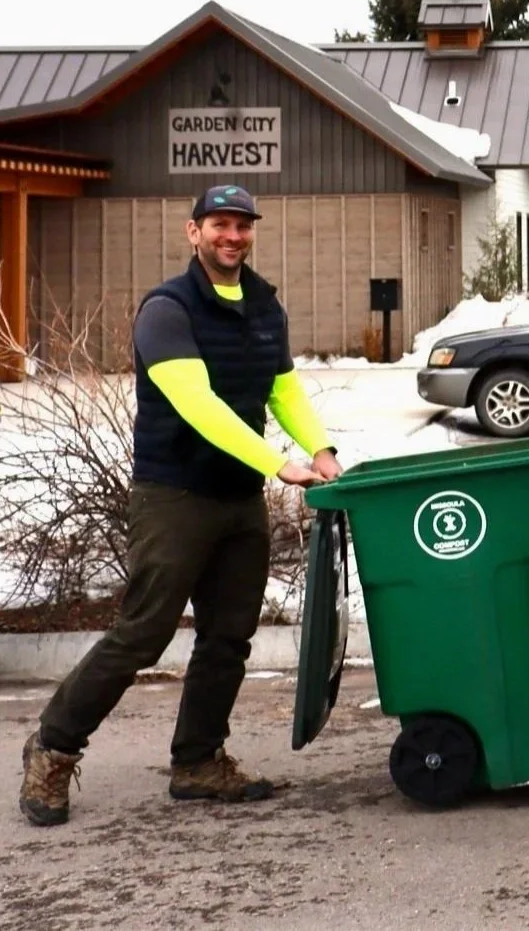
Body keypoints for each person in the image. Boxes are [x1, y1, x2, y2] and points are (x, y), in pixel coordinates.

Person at [19, 184, 341, 826]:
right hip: (173, 496)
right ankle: (51, 750)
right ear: (193, 232)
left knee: (228, 637)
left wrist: (322, 447)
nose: (232, 236)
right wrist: (278, 462)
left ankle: (197, 761)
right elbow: (199, 407)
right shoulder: (167, 310)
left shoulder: (264, 306)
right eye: (219, 224)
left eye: (243, 225)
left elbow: (282, 391)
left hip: (237, 500)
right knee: (142, 632)